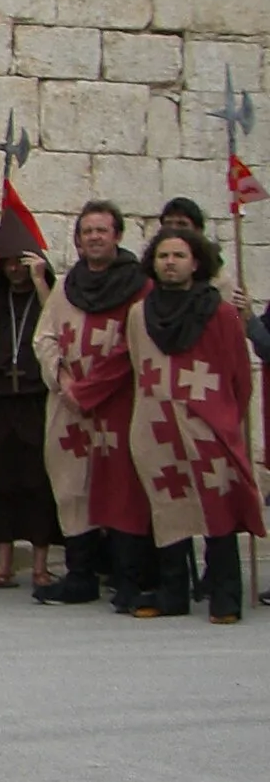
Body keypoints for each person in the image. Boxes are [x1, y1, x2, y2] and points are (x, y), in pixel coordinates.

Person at [124, 227, 263, 622]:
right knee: (169, 510)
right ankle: (173, 594)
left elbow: (238, 373)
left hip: (207, 425)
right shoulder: (139, 313)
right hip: (157, 426)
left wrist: (228, 420)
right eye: (163, 255)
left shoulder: (219, 312)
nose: (170, 262)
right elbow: (138, 366)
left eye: (178, 255)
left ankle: (225, 598)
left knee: (217, 509)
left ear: (195, 262)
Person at [36, 201, 152, 609]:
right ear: (79, 241)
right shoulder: (66, 287)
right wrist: (64, 379)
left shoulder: (139, 287)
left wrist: (90, 390)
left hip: (119, 404)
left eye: (102, 230)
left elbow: (133, 348)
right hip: (69, 406)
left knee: (121, 489)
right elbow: (44, 337)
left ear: (117, 235)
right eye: (87, 232)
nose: (95, 237)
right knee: (72, 487)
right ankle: (80, 577)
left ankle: (127, 579)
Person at [0, 214, 60, 592]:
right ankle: (2, 566)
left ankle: (39, 565)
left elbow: (59, 328)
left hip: (35, 398)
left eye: (22, 260)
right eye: (10, 262)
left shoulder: (44, 294)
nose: (16, 268)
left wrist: (40, 282)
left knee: (37, 481)